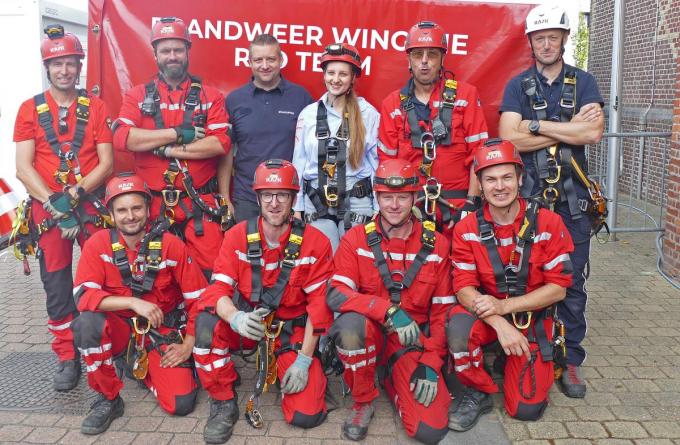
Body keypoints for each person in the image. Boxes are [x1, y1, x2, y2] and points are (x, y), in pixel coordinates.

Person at [498, 4, 605, 398]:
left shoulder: (585, 82)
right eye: (539, 38)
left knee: (572, 283)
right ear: (531, 42)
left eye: (553, 37)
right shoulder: (517, 85)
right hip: (529, 202)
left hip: (573, 204)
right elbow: (510, 139)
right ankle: (529, 351)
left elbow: (593, 134)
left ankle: (571, 361)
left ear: (563, 39)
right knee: (527, 280)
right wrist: (568, 129)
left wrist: (537, 125)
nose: (546, 44)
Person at [192, 159, 334, 444]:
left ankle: (291, 368)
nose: (274, 203)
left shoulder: (316, 242)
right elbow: (217, 291)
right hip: (247, 327)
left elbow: (319, 307)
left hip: (288, 332)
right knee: (206, 324)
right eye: (267, 195)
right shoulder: (236, 237)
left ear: (294, 199)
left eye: (282, 194)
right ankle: (222, 401)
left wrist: (304, 359)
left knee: (305, 416)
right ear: (257, 198)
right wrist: (235, 318)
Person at [447, 139, 574, 431]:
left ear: (520, 178)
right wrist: (501, 324)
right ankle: (478, 390)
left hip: (531, 317)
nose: (499, 186)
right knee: (458, 329)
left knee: (525, 409)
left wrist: (506, 307)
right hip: (487, 316)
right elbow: (463, 289)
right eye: (490, 179)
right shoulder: (466, 228)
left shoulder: (548, 222)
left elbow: (559, 288)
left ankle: (510, 360)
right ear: (479, 184)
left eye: (507, 177)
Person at [13, 24, 113, 391]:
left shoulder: (96, 107)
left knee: (102, 275)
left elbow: (106, 163)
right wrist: (55, 205)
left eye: (71, 63)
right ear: (48, 68)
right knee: (56, 284)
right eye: (57, 65)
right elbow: (23, 167)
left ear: (80, 66)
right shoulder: (29, 109)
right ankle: (68, 357)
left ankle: (106, 347)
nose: (65, 71)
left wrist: (73, 195)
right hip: (46, 211)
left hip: (88, 205)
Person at [326, 158, 453, 444]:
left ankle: (388, 376)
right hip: (369, 333)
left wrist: (432, 362)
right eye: (386, 197)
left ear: (414, 197)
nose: (394, 205)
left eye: (402, 197)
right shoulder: (355, 239)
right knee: (349, 326)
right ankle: (362, 401)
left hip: (410, 343)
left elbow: (443, 312)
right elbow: (336, 294)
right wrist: (388, 310)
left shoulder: (438, 245)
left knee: (429, 431)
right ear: (376, 197)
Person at [71, 173, 207, 434]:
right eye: (121, 210)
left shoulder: (170, 245)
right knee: (86, 323)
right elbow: (83, 296)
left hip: (159, 332)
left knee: (181, 403)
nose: (130, 216)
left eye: (136, 208)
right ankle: (108, 398)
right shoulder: (97, 244)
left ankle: (139, 366)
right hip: (120, 330)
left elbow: (199, 298)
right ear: (111, 213)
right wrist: (133, 302)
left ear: (148, 209)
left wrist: (189, 343)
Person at [112, 17, 231, 280]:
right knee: (155, 279)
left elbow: (220, 143)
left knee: (211, 276)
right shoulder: (137, 96)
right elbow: (123, 138)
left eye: (178, 49)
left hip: (200, 205)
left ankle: (203, 322)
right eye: (165, 50)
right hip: (152, 208)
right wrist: (175, 134)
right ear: (155, 54)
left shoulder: (211, 96)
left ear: (188, 51)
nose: (172, 56)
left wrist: (167, 150)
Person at [378, 21, 488, 238]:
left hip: (458, 207)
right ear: (409, 59)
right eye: (418, 54)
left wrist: (471, 203)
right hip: (411, 209)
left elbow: (480, 154)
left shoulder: (465, 96)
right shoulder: (392, 105)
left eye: (432, 54)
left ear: (442, 59)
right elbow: (387, 164)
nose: (425, 62)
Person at [292, 43, 379, 252]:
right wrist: (297, 207)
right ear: (323, 75)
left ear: (353, 78)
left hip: (357, 199)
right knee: (323, 260)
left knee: (356, 260)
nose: (336, 79)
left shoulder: (369, 114)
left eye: (343, 74)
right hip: (316, 200)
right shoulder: (308, 114)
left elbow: (377, 164)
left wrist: (378, 207)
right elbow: (299, 162)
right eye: (331, 73)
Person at [226, 34, 313, 222]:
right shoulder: (234, 100)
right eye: (258, 60)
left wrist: (300, 203)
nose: (264, 65)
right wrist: (225, 197)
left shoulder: (301, 98)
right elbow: (226, 152)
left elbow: (309, 154)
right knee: (246, 251)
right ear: (249, 62)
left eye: (271, 59)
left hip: (287, 199)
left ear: (281, 60)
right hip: (246, 198)